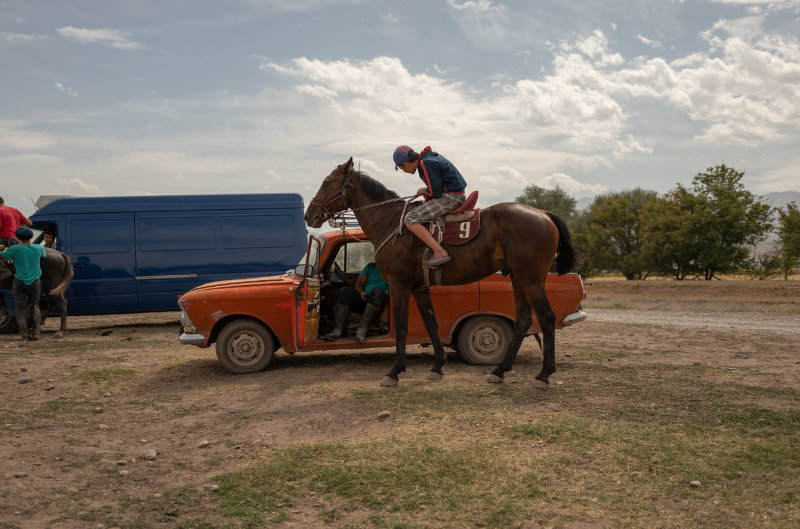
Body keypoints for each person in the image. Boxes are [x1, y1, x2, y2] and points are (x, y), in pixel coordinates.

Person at [393, 145, 467, 266]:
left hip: (452, 197)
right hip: (454, 194)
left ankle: (439, 251)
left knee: (410, 219)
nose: (404, 171)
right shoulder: (428, 159)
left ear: (405, 164)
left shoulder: (425, 163)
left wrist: (424, 191)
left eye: (401, 168)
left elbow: (435, 192)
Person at [0, 227, 47, 341]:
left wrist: (1, 248)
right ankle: (36, 333)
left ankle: (24, 335)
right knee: (35, 306)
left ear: (18, 238)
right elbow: (44, 256)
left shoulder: (15, 249)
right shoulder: (38, 248)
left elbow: (3, 255)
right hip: (35, 282)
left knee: (20, 309)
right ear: (31, 237)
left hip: (19, 282)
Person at [323, 262, 388, 342]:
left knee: (377, 291)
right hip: (364, 299)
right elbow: (358, 284)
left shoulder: (393, 269)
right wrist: (361, 292)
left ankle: (362, 330)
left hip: (379, 302)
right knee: (345, 291)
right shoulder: (370, 267)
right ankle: (337, 330)